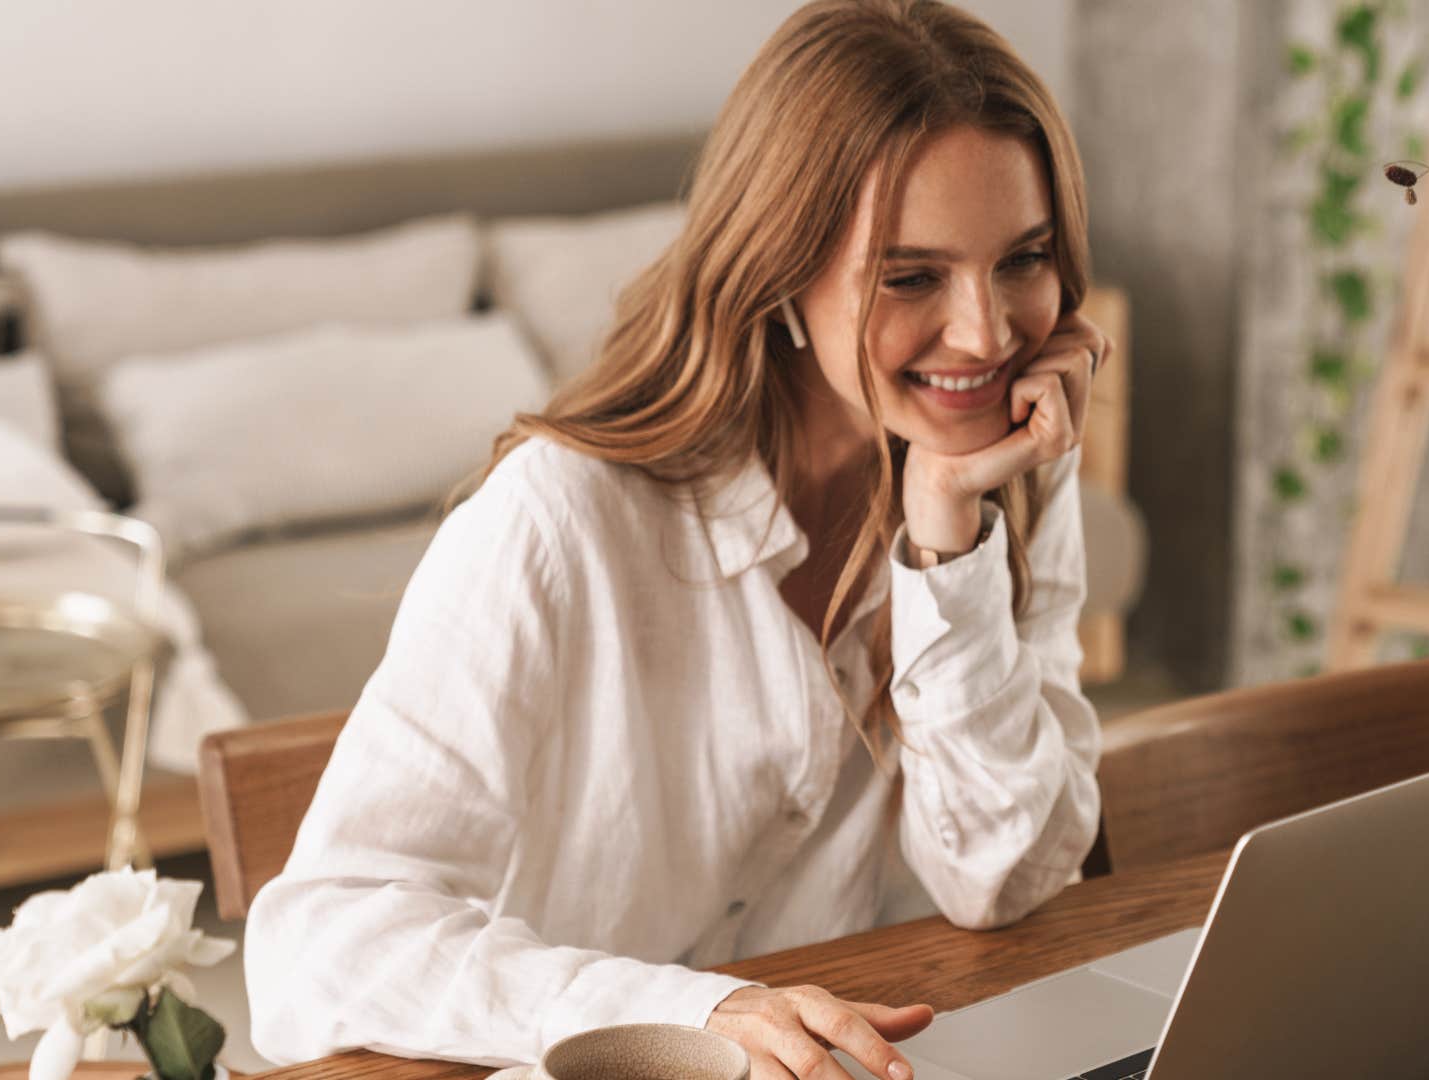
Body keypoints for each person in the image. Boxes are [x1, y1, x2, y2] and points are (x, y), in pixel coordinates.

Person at [245, 1, 1110, 1077]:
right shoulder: (561, 517)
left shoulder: (998, 472)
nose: (986, 335)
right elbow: (319, 944)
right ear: (781, 273)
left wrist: (948, 545)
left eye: (1022, 260)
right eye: (911, 276)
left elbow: (1006, 881)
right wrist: (690, 1010)